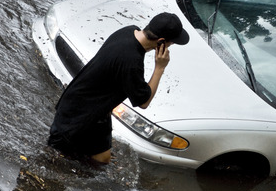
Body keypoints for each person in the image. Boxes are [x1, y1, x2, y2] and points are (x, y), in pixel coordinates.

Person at [47, 12, 189, 164]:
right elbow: (144, 102)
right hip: (77, 118)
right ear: (161, 41)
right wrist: (160, 68)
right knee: (55, 160)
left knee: (102, 160)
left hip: (96, 111)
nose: (170, 46)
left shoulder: (128, 31)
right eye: (171, 43)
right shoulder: (131, 61)